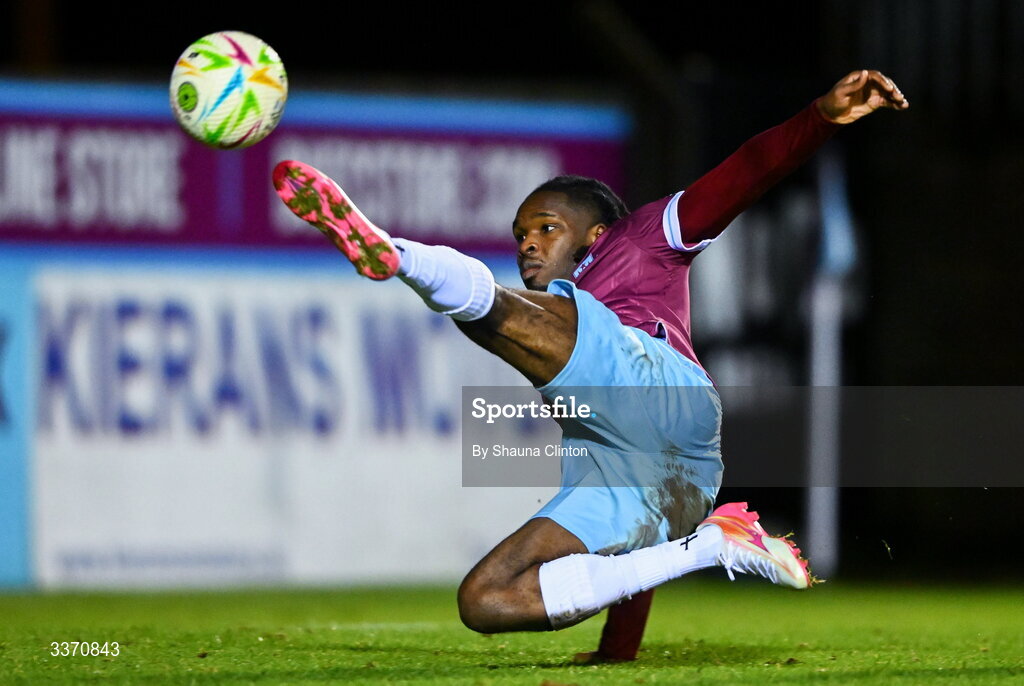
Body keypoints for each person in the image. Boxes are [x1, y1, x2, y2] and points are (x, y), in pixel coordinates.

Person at [273, 69, 908, 654]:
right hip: (665, 479)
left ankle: (393, 254)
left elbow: (746, 171)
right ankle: (714, 545)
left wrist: (820, 117)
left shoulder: (645, 238)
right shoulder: (566, 328)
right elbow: (646, 525)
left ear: (594, 234)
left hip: (670, 391)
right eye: (521, 234)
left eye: (545, 228)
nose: (527, 242)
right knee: (487, 599)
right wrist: (618, 650)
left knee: (510, 316)